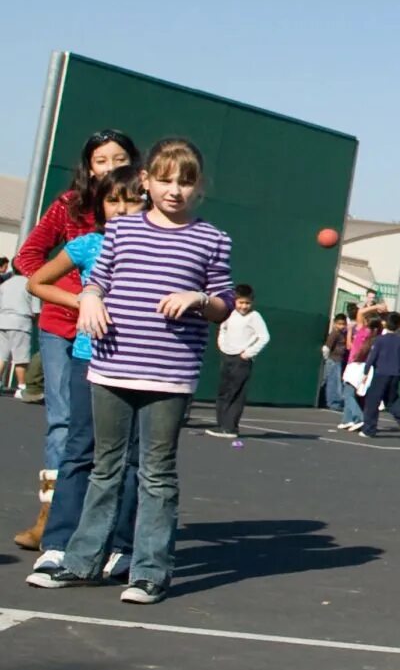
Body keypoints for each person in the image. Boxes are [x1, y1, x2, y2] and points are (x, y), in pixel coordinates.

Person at [29, 137, 235, 606]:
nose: (174, 190)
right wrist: (91, 299)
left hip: (168, 375)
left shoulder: (212, 239)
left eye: (185, 182)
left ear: (199, 186)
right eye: (164, 180)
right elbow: (96, 279)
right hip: (110, 367)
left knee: (156, 474)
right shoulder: (122, 232)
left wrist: (199, 300)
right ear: (146, 182)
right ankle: (80, 562)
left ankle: (149, 572)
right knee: (105, 468)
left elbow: (222, 304)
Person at [12, 128, 138, 551]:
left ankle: (102, 523)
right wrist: (77, 298)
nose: (110, 167)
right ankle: (50, 519)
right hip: (62, 328)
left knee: (107, 433)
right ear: (88, 167)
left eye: (119, 159)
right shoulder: (69, 207)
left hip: (113, 336)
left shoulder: (141, 211)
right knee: (64, 423)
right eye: (101, 160)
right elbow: (27, 259)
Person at [209, 284, 271, 439]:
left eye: (247, 303)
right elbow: (222, 329)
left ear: (252, 302)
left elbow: (264, 337)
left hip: (241, 360)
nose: (244, 306)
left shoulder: (254, 316)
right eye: (241, 302)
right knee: (224, 391)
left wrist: (248, 353)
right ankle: (221, 424)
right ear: (235, 301)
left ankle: (230, 428)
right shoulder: (229, 314)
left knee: (236, 393)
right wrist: (222, 346)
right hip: (227, 356)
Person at [358, 311, 400, 438]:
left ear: (385, 324)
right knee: (391, 399)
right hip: (395, 374)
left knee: (372, 401)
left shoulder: (380, 340)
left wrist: (365, 372)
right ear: (399, 326)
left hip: (381, 374)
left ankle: (369, 430)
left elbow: (372, 357)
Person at [1, 257, 33, 395]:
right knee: (21, 357)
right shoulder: (30, 284)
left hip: (3, 321)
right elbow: (36, 309)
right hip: (21, 323)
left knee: (2, 355)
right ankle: (21, 387)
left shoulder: (4, 284)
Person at [321, 312, 350, 413]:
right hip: (333, 360)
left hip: (337, 360)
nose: (341, 326)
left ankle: (331, 401)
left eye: (343, 324)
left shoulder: (342, 334)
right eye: (339, 324)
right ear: (334, 324)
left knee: (333, 381)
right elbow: (327, 347)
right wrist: (327, 358)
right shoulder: (334, 334)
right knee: (333, 382)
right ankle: (333, 403)